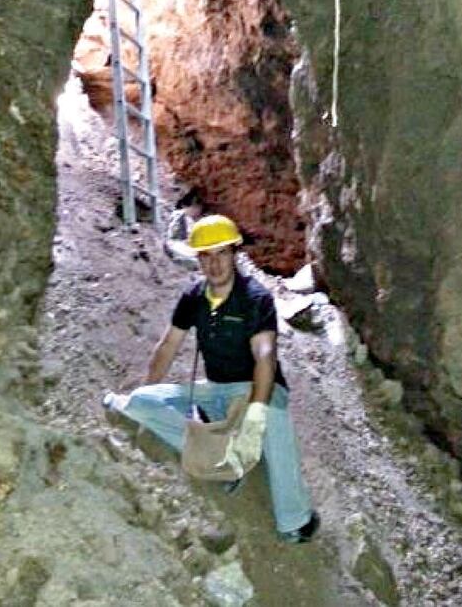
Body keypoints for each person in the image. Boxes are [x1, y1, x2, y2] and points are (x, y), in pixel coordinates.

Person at [103, 214, 319, 543]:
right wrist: (147, 390)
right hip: (216, 391)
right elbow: (167, 347)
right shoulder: (193, 298)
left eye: (221, 253)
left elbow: (265, 358)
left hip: (257, 391)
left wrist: (258, 410)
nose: (214, 263)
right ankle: (222, 462)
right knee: (142, 402)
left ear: (234, 253)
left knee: (273, 420)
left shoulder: (255, 299)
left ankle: (294, 519)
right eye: (206, 255)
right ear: (198, 260)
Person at [163, 188, 204, 267]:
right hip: (176, 245)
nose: (198, 211)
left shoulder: (193, 219)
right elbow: (173, 238)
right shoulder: (179, 215)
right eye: (197, 207)